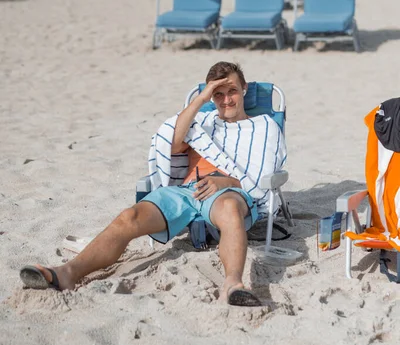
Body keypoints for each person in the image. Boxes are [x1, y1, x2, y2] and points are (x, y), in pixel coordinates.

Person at [20, 62, 286, 306]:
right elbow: (173, 143)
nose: (226, 100)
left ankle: (233, 284)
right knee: (130, 216)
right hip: (186, 191)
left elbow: (258, 180)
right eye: (218, 94)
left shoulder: (264, 127)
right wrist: (202, 99)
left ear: (244, 89)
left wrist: (223, 181)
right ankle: (67, 272)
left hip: (227, 193)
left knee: (229, 207)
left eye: (232, 91)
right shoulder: (202, 122)